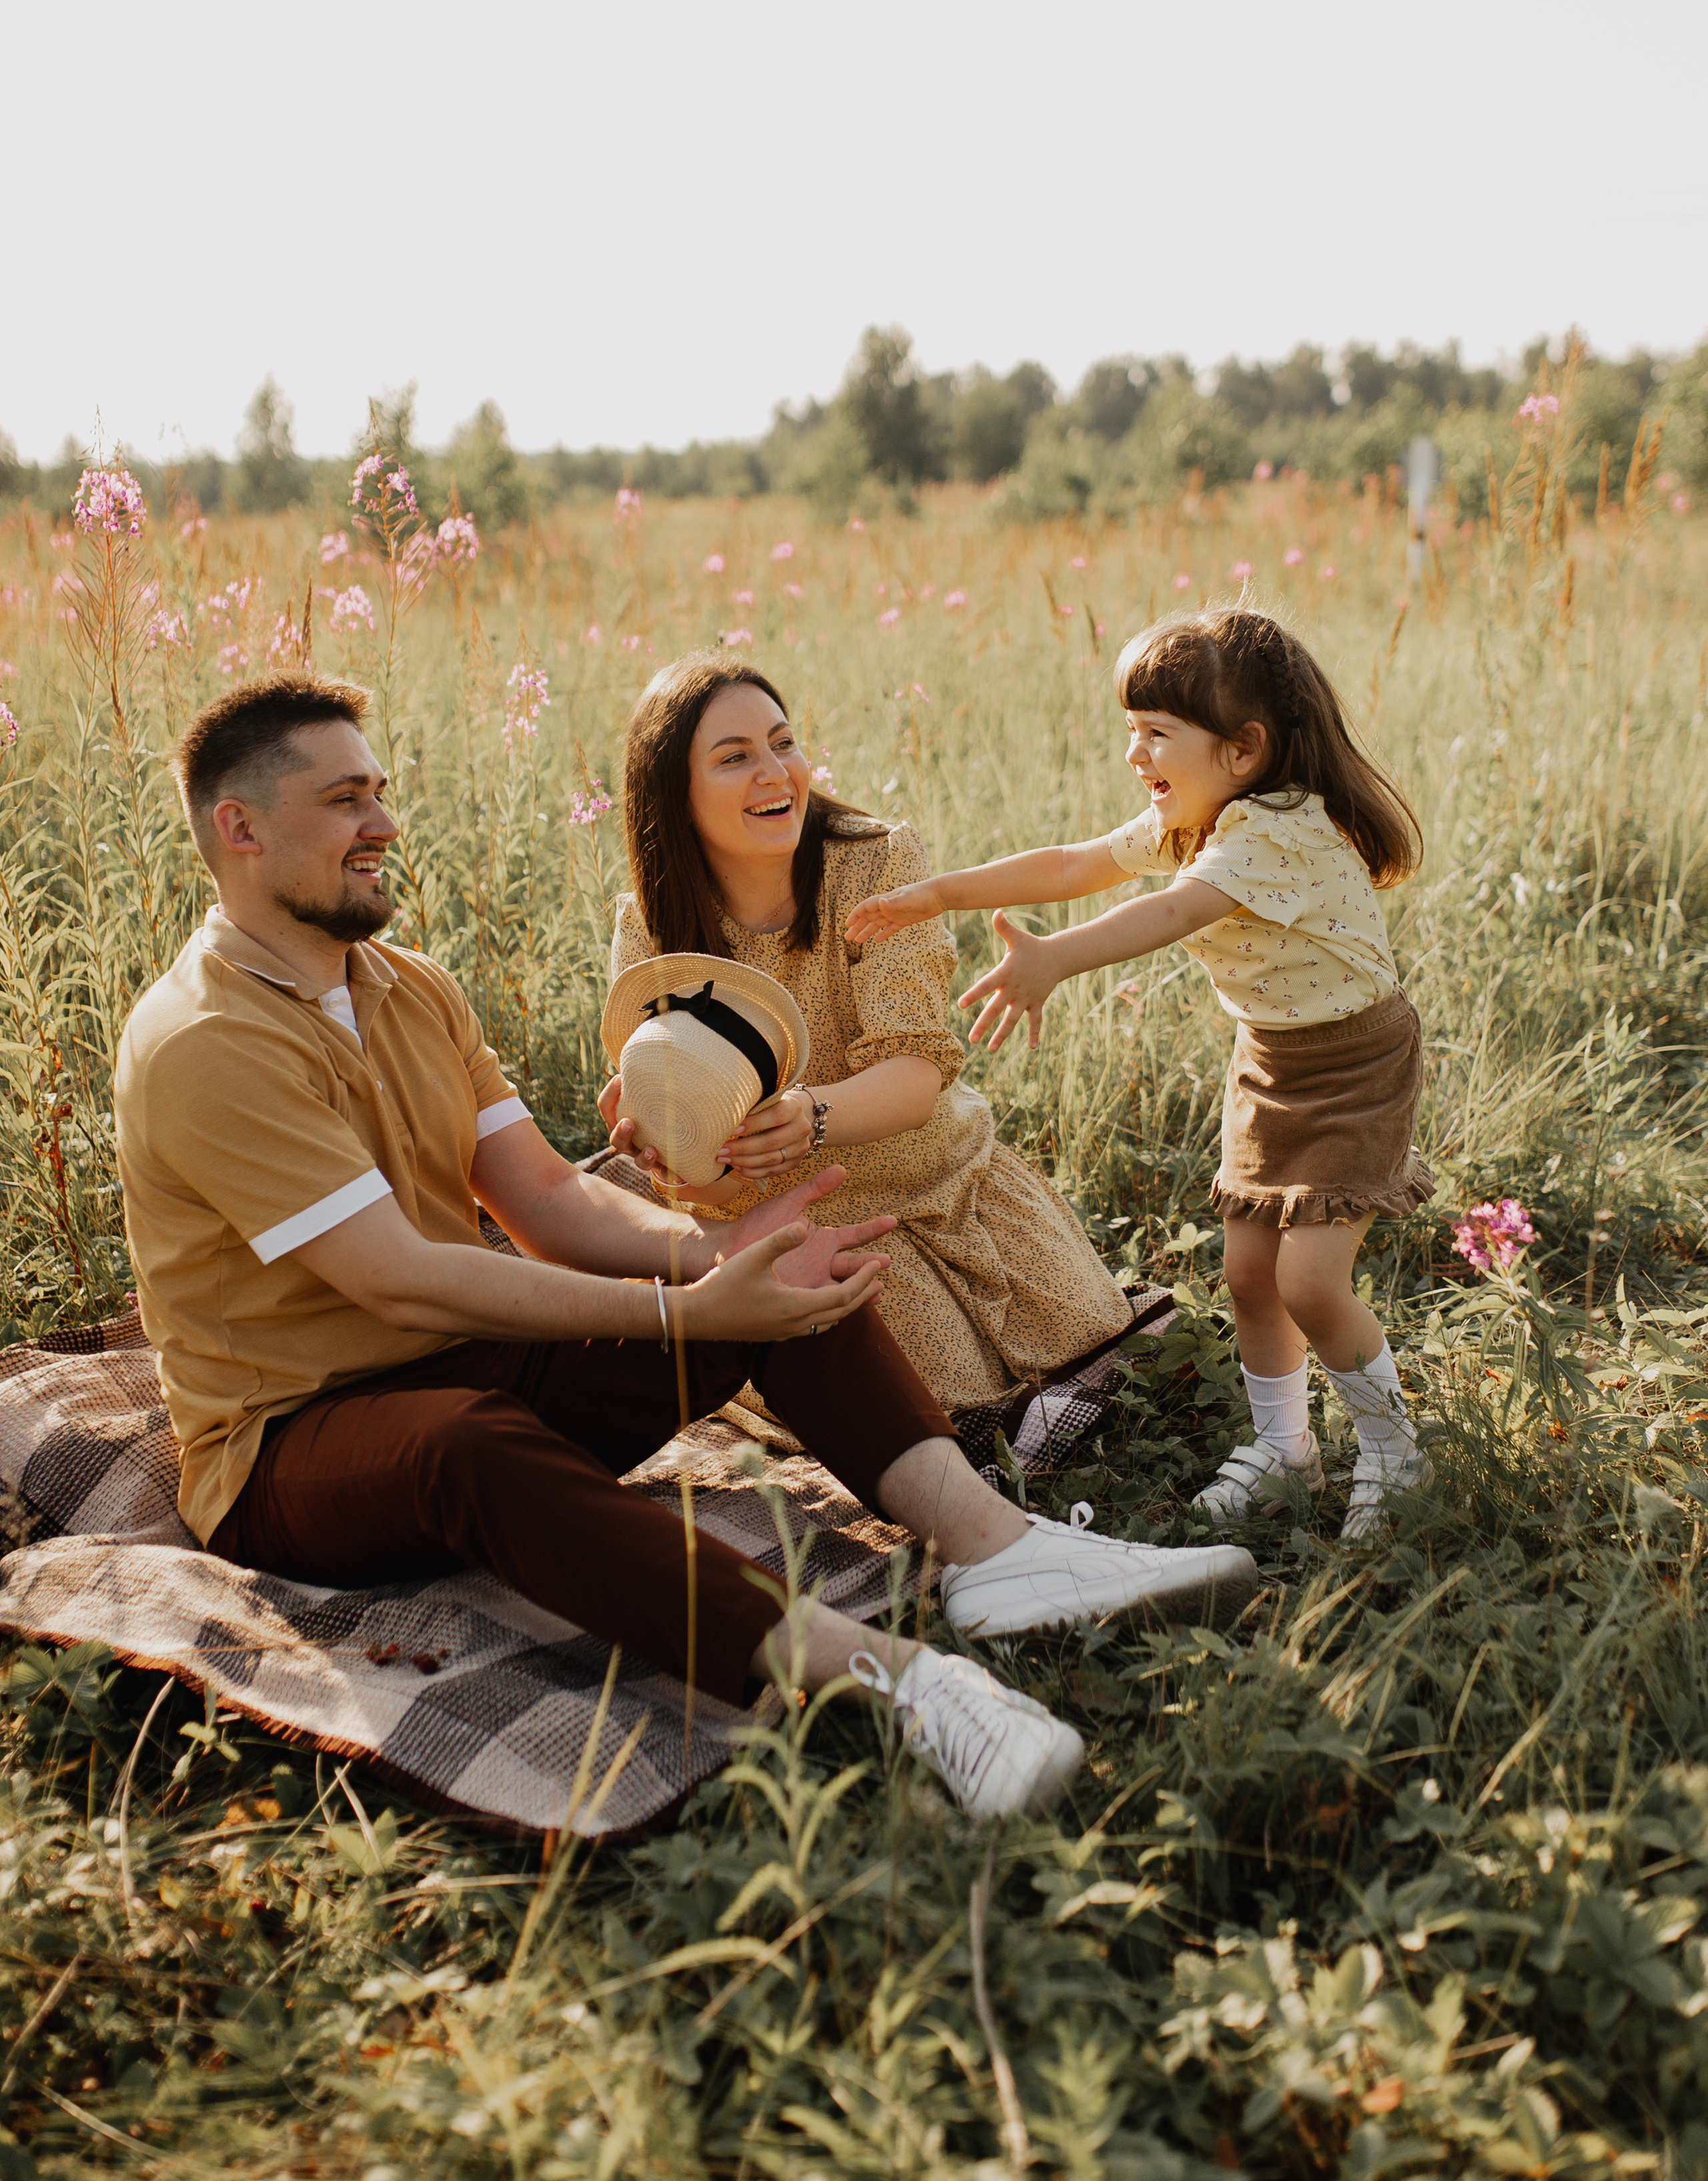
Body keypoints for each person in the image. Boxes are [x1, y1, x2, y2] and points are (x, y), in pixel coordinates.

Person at [113, 675, 1260, 1823]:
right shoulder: (206, 1040)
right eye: (345, 801)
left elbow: (549, 1199)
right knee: (467, 1443)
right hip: (291, 1443)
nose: (384, 824)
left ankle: (1000, 1555)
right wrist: (685, 1312)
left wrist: (721, 1255)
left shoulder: (411, 989)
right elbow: (398, 1282)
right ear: (241, 828)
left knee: (774, 1269)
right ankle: (899, 1680)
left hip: (463, 1364)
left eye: (378, 792)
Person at [846, 603, 1434, 1543]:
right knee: (1250, 1274)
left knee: (1311, 1283)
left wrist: (1054, 959)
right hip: (1270, 1062)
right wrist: (941, 893)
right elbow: (1072, 865)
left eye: (1157, 733)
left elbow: (1166, 916)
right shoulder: (1195, 819)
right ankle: (1285, 1449)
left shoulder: (1273, 831)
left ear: (1243, 749)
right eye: (1132, 730)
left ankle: (1397, 1456)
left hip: (1353, 1067)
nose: (1135, 753)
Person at [597, 653, 1155, 1448]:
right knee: (933, 1403)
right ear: (673, 793)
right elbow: (703, 1170)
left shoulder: (874, 862)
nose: (775, 773)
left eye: (782, 743)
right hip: (779, 1218)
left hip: (930, 1177)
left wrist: (808, 1116)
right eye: (734, 757)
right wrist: (668, 1151)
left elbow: (917, 1072)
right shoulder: (650, 924)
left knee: (1082, 1343)